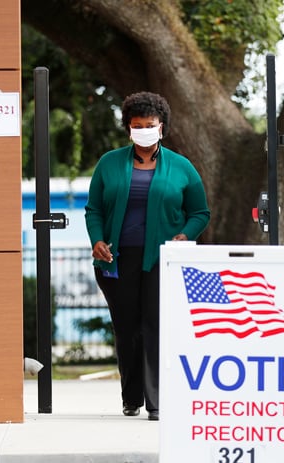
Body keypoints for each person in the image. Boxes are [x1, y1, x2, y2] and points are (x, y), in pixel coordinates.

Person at [85, 91, 211, 421]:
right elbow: (94, 209)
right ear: (128, 127)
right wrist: (97, 239)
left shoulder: (182, 167)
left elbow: (200, 212)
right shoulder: (108, 163)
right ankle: (131, 397)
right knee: (127, 328)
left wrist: (185, 235)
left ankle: (157, 401)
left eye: (149, 125)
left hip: (162, 260)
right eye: (137, 125)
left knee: (155, 326)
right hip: (116, 260)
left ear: (161, 127)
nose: (143, 129)